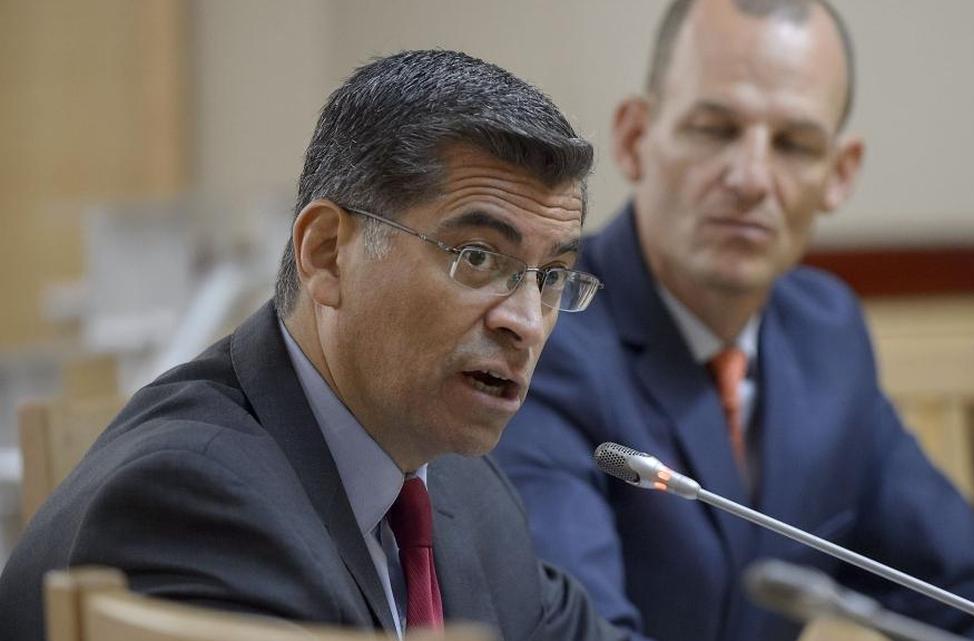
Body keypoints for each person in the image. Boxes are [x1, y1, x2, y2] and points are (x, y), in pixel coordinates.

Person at [492, 2, 974, 641]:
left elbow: (970, 589)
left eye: (794, 144)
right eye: (715, 129)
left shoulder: (824, 333)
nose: (751, 178)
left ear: (839, 173)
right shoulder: (546, 336)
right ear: (635, 139)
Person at [0, 50, 626, 641]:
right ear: (326, 253)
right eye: (478, 257)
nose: (527, 322)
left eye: (551, 277)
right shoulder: (190, 503)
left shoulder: (463, 485)